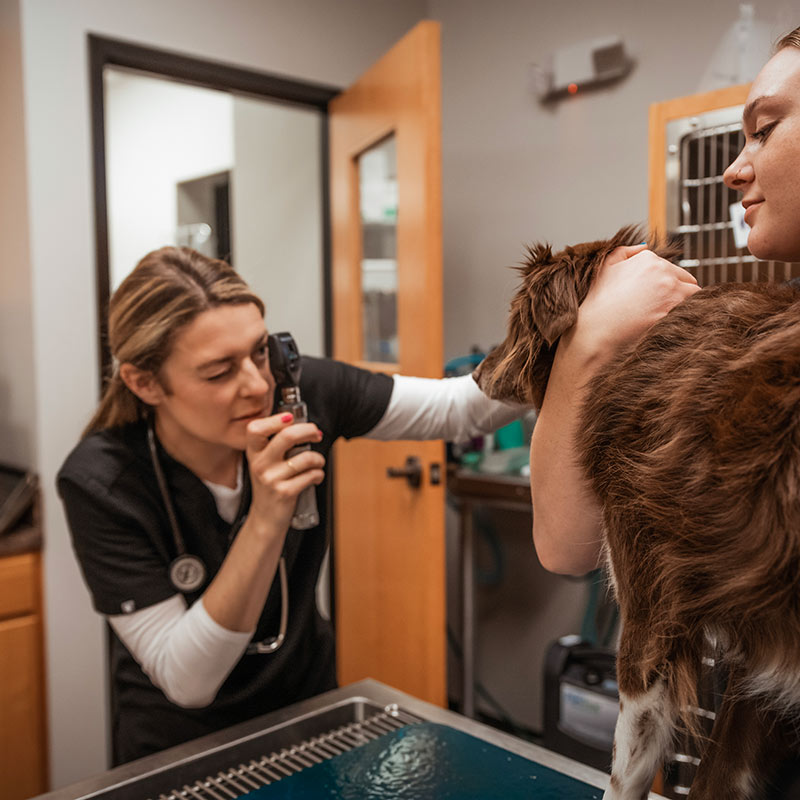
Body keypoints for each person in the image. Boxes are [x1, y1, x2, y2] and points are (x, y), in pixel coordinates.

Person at [57, 246, 524, 765]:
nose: (258, 386)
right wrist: (267, 516)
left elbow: (460, 409)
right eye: (217, 373)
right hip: (179, 750)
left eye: (258, 351)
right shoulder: (103, 482)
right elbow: (189, 680)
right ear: (145, 383)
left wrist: (572, 330)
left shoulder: (298, 391)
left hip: (309, 718)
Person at [528, 25, 800, 577]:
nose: (733, 169)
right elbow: (565, 548)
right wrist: (591, 343)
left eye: (765, 130)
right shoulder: (765, 334)